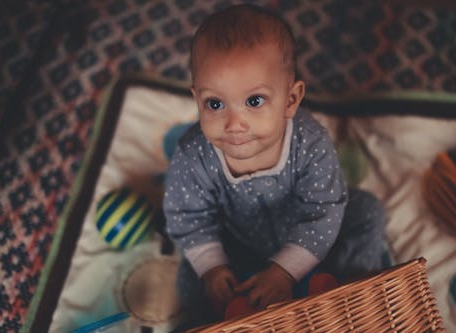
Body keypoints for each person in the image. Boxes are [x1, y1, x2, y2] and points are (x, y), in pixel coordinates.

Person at [163, 4, 385, 327]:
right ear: (197, 99)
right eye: (215, 104)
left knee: (367, 213)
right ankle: (223, 317)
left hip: (310, 239)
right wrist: (213, 267)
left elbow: (323, 211)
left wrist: (285, 270)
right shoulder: (193, 154)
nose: (234, 123)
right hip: (238, 241)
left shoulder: (309, 143)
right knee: (191, 276)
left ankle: (342, 291)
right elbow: (187, 216)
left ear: (291, 100)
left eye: (254, 101)